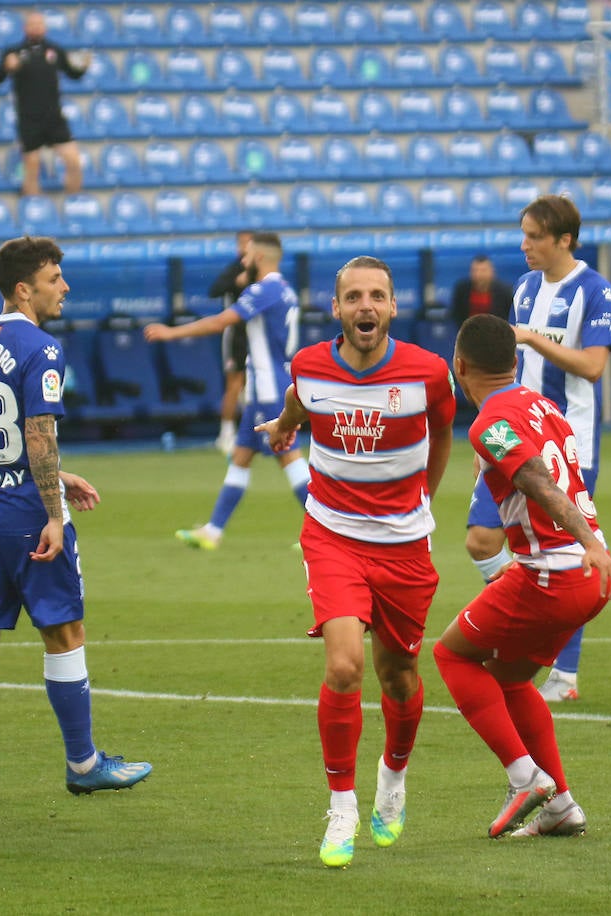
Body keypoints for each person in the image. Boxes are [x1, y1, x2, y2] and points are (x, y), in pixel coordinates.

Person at [256, 256, 455, 868]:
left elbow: (443, 433)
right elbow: (300, 397)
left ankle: (392, 778)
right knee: (344, 666)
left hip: (404, 544)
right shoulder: (309, 363)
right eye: (353, 297)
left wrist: (424, 498)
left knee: (398, 675)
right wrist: (286, 425)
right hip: (333, 535)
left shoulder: (428, 372)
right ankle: (341, 805)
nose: (365, 306)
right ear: (335, 308)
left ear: (393, 307)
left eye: (377, 296)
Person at [0, 236, 151, 803]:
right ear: (24, 289)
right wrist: (55, 513)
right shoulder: (40, 346)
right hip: (24, 516)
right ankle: (84, 762)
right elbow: (35, 434)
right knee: (64, 634)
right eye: (54, 278)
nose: (65, 287)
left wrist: (60, 474)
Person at [436, 313, 611, 838]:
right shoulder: (546, 406)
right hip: (588, 580)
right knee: (511, 678)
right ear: (516, 362)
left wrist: (587, 545)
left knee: (451, 654)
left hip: (557, 573)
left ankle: (525, 778)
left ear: (460, 366)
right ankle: (561, 807)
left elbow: (538, 482)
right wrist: (595, 546)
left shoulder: (489, 424)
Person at [464, 194, 611, 704]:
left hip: (567, 442)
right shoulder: (526, 288)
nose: (525, 244)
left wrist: (532, 336)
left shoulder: (596, 291)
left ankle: (565, 675)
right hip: (513, 434)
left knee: (568, 553)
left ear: (564, 240)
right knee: (482, 540)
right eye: (523, 234)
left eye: (534, 236)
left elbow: (594, 367)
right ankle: (519, 631)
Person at [144, 232, 310, 550]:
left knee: (289, 457)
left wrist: (170, 333)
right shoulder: (285, 290)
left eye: (246, 256)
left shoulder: (266, 289)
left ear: (259, 258)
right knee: (241, 456)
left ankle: (327, 529)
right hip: (267, 384)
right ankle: (214, 530)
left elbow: (222, 322)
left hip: (268, 388)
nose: (242, 262)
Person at [0, 11, 91, 197]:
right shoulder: (13, 52)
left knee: (74, 162)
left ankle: (72, 203)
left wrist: (83, 67)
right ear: (25, 27)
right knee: (32, 168)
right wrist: (6, 67)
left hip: (54, 117)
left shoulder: (55, 50)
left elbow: (73, 74)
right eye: (32, 24)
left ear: (44, 27)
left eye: (39, 24)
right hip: (29, 119)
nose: (36, 27)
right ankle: (33, 209)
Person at [209, 230, 256, 456]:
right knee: (234, 383)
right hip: (235, 335)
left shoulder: (260, 272)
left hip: (255, 335)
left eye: (249, 243)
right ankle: (225, 434)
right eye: (242, 243)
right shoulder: (233, 269)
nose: (245, 247)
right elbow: (214, 290)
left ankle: (252, 433)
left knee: (253, 386)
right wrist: (235, 283)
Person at [449, 254, 514, 326]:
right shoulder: (461, 290)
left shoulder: (505, 292)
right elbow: (456, 315)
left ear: (492, 272)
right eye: (475, 270)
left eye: (483, 271)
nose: (478, 274)